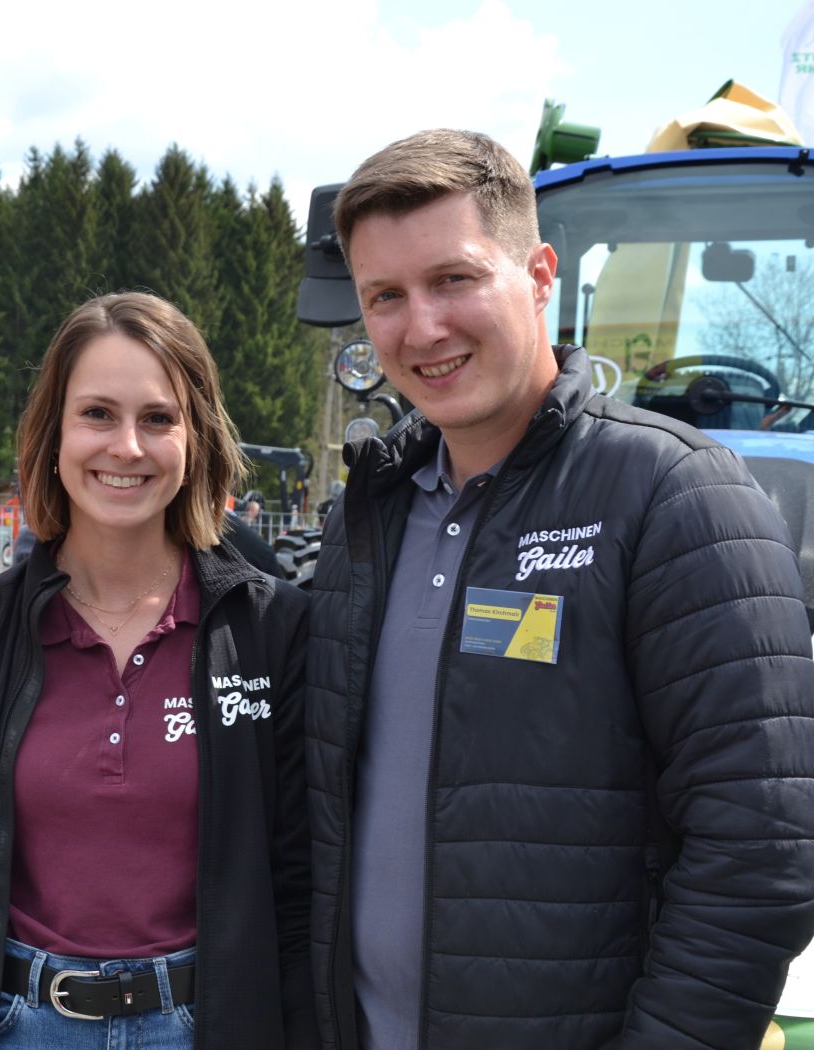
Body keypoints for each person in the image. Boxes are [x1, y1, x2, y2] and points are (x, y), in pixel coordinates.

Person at [306, 129, 814, 1050]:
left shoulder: (674, 497)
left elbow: (761, 848)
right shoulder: (366, 518)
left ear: (540, 276)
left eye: (454, 279)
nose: (422, 328)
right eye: (386, 296)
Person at [0, 291, 314, 1049]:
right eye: (97, 415)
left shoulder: (271, 629)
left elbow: (301, 886)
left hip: (207, 1024)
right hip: (15, 1026)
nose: (127, 446)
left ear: (196, 438)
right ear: (53, 433)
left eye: (158, 418)